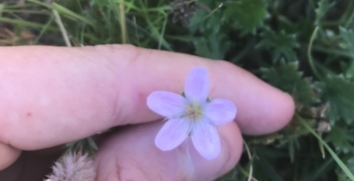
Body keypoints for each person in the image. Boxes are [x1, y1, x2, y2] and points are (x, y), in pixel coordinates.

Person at [0, 44, 295, 181]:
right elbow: (163, 126)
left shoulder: (208, 104)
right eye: (191, 108)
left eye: (194, 108)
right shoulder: (183, 104)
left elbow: (225, 109)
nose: (192, 111)